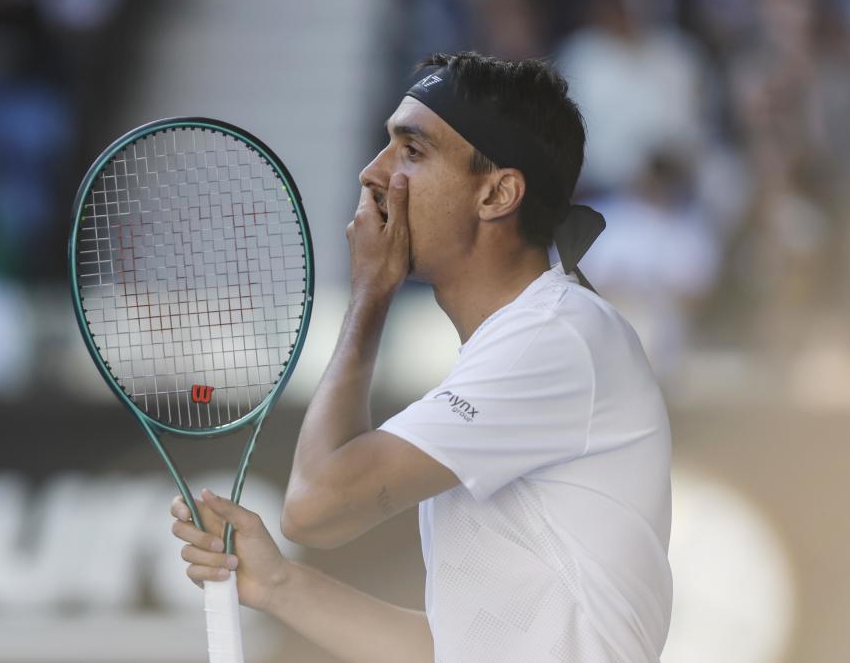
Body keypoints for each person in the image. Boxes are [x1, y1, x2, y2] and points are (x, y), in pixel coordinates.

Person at [171, 51, 673, 663]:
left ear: (498, 194)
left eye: (412, 151)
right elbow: (455, 650)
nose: (372, 173)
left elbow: (313, 506)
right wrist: (278, 584)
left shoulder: (558, 336)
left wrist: (369, 294)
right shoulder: (531, 342)